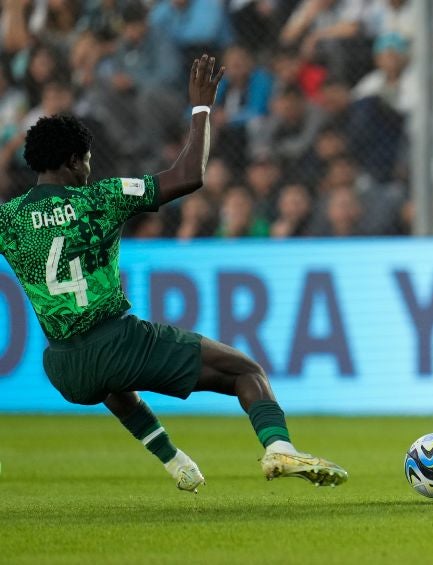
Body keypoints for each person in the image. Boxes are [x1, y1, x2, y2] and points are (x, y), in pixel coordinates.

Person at [0, 56, 348, 493]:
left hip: (64, 368)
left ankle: (174, 460)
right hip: (116, 342)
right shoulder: (100, 198)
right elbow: (188, 176)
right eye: (86, 161)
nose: (88, 170)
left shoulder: (8, 219)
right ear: (72, 161)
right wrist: (201, 108)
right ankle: (279, 447)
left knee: (111, 381)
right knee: (245, 371)